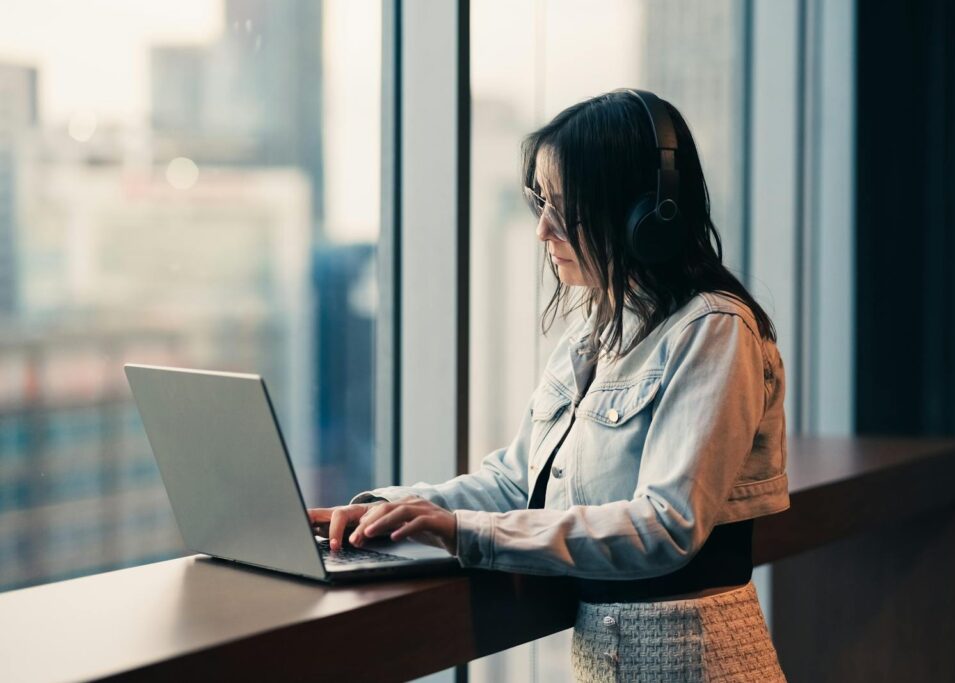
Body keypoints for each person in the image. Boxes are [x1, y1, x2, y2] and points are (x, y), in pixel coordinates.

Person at [308, 89, 789, 682]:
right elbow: (517, 480)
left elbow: (666, 524)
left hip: (694, 660)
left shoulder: (715, 329)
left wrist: (460, 532)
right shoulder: (593, 336)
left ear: (645, 211)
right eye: (541, 202)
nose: (542, 230)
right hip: (605, 656)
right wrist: (394, 510)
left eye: (564, 207)